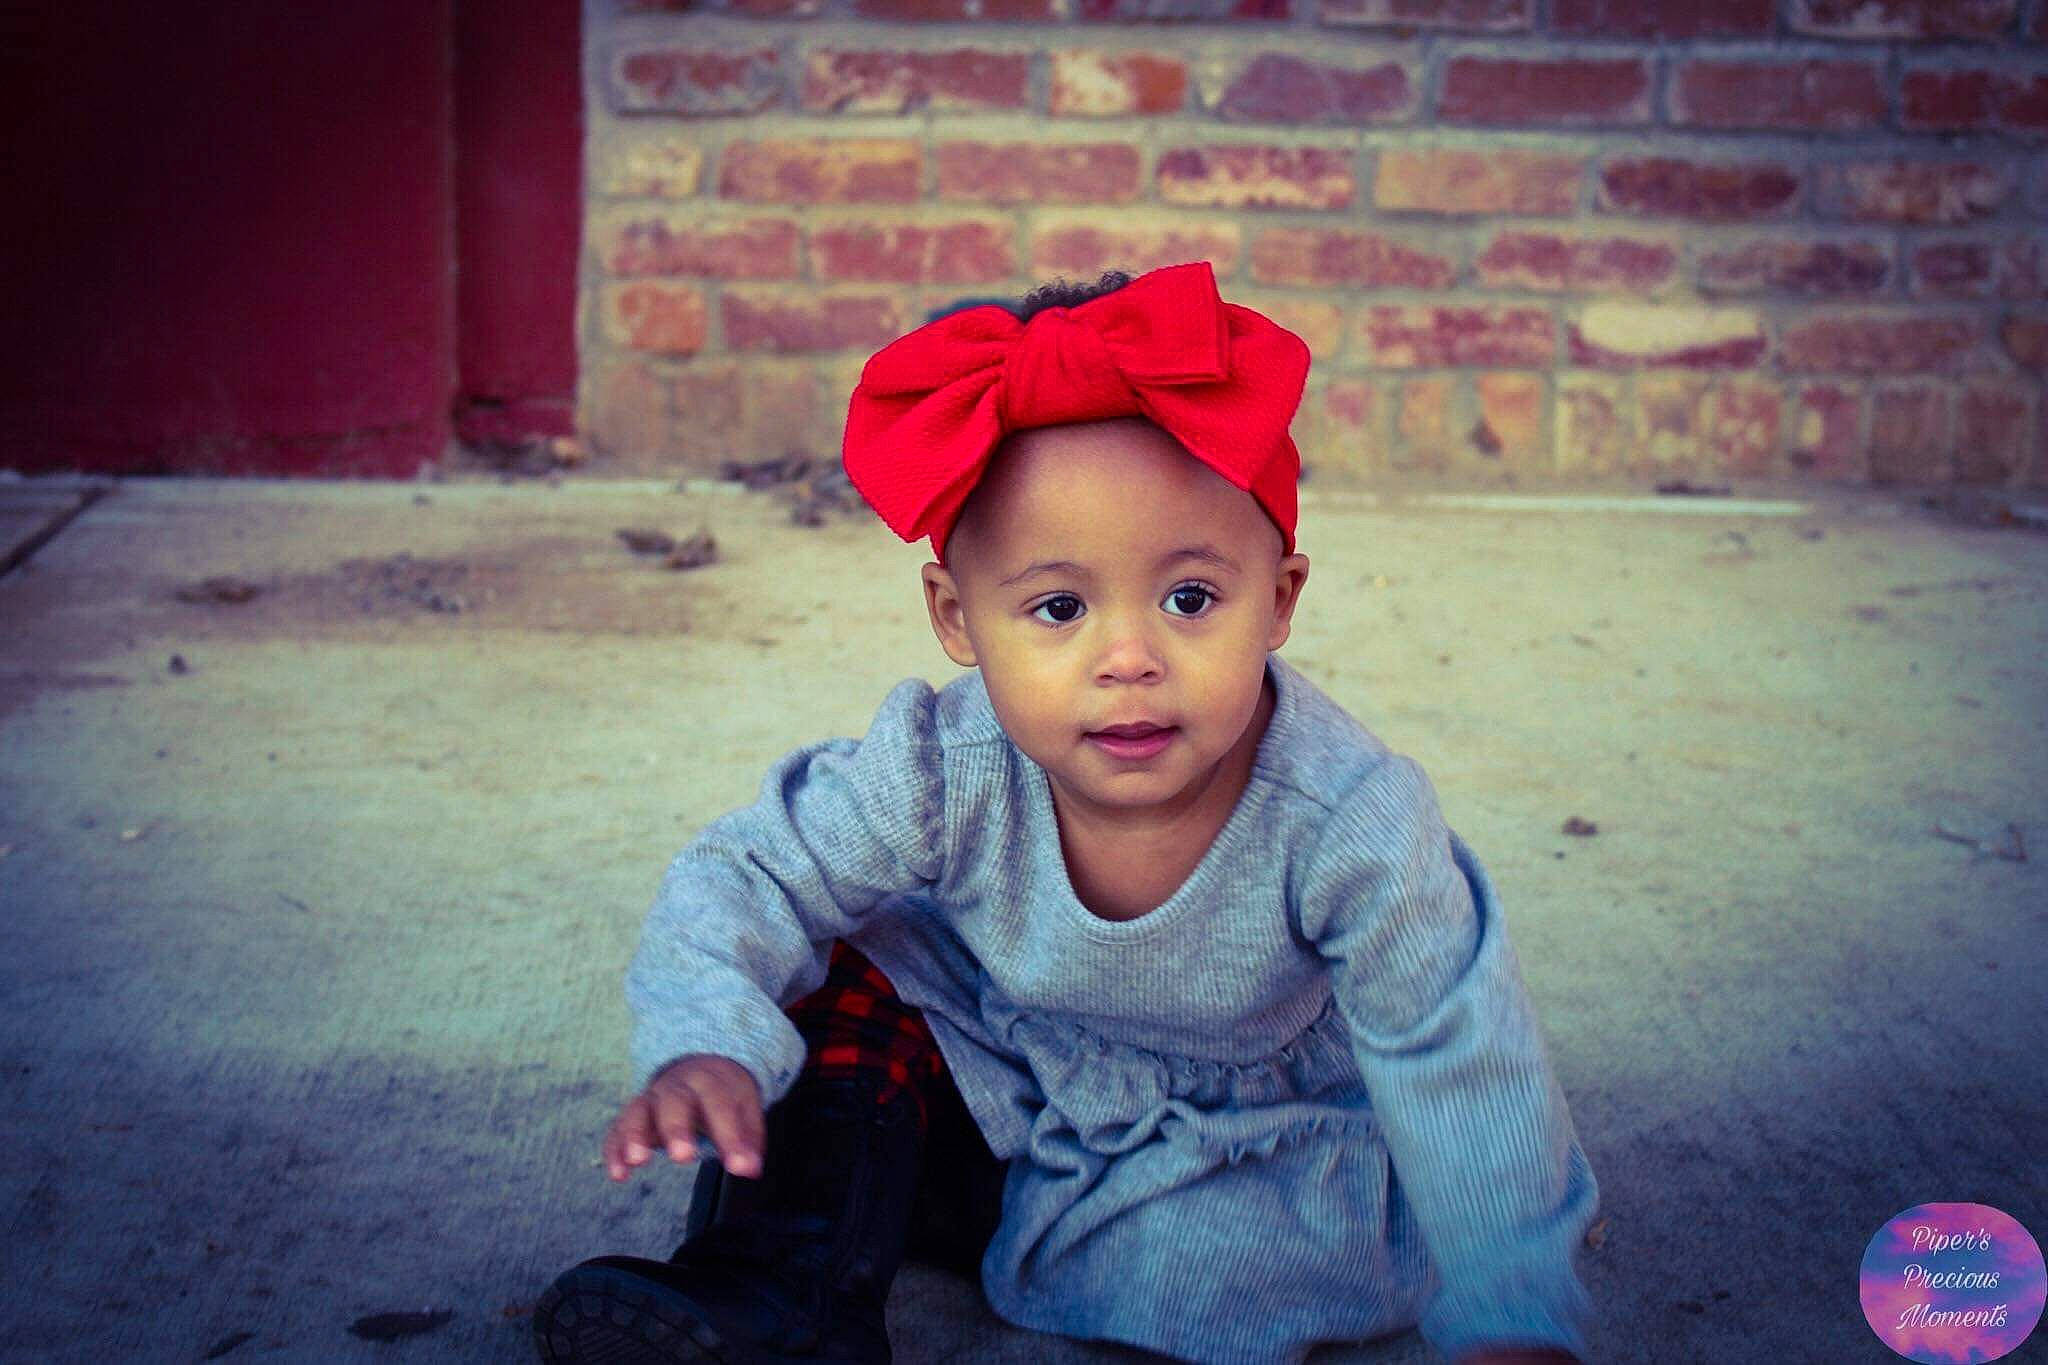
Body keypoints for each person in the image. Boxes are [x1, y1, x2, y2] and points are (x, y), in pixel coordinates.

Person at [533, 261, 1600, 1365]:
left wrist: (1515, 1315)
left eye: (1190, 599)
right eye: (1057, 607)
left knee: (1228, 1265)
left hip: (1242, 1153)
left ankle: (1101, 1252)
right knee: (838, 986)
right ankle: (775, 1306)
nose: (1127, 660)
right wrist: (705, 1042)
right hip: (1007, 1109)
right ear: (956, 618)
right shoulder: (946, 769)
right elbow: (751, 874)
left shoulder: (1349, 823)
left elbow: (1459, 1060)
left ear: (1277, 599)